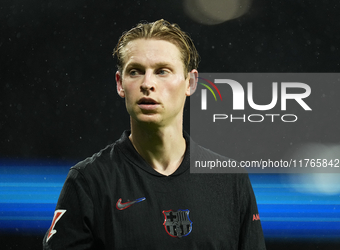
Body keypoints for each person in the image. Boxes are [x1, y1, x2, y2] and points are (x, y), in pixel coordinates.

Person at [43, 19, 266, 250]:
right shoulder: (88, 182)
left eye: (162, 71)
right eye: (135, 72)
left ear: (190, 82)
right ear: (120, 84)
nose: (147, 83)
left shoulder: (229, 179)